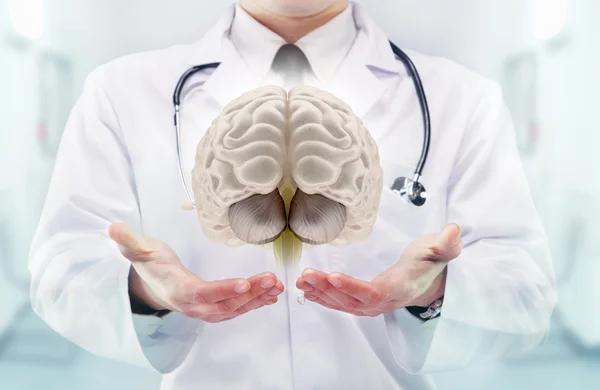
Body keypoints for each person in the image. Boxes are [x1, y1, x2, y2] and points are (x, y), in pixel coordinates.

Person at [28, 1, 557, 389]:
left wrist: (432, 290)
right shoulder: (123, 92)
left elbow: (525, 289)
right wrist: (146, 292)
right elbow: (62, 264)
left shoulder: (460, 99)